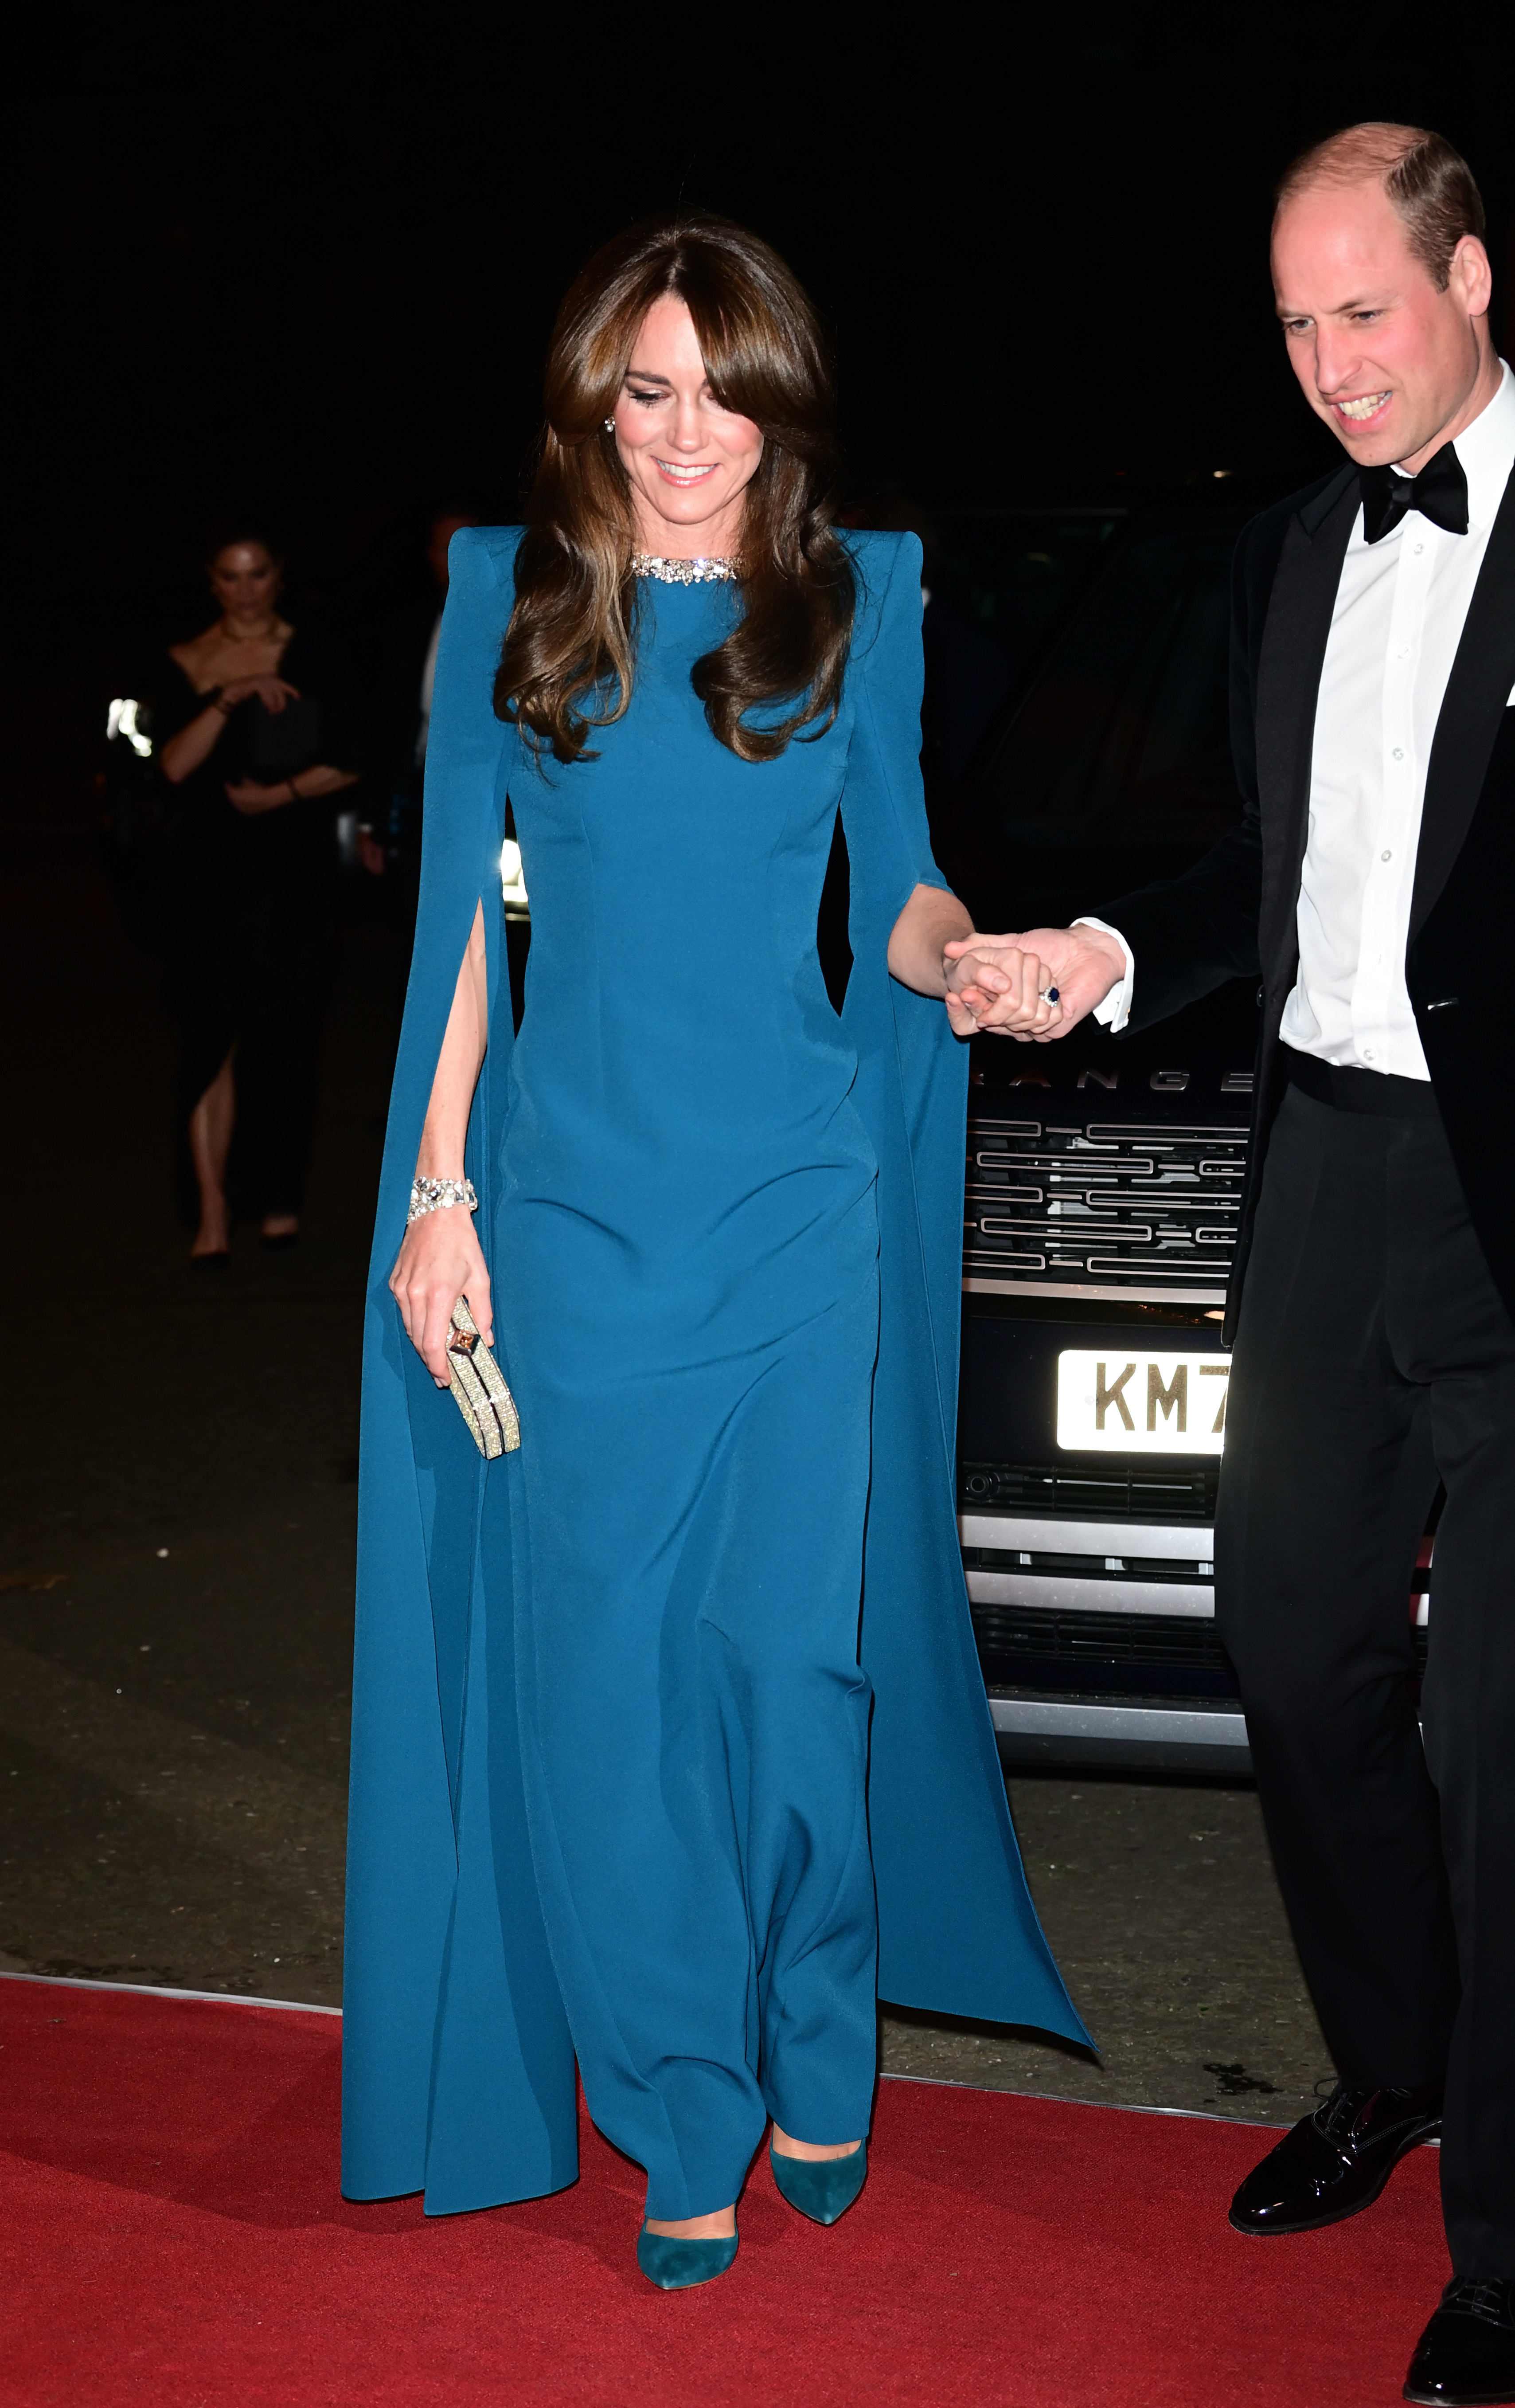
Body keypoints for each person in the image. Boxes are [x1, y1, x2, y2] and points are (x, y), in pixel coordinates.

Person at [340, 213, 1084, 2291]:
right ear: (597, 407)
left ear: (781, 402)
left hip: (790, 1217)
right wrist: (437, 1194)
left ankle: (817, 2016)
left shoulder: (863, 598)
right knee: (602, 1682)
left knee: (788, 1662)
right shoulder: (505, 599)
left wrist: (976, 964)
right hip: (570, 1220)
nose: (689, 434)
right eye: (648, 392)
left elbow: (908, 883)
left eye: (724, 391)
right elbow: (460, 949)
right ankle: (683, 2090)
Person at [966, 125, 1515, 2407]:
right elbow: (1271, 890)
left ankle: (1510, 2237)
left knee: (1499, 1735)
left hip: (1501, 1212)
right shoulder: (1295, 548)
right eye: (1292, 328)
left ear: (1474, 276)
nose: (1326, 367)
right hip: (1319, 1176)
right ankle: (1389, 2065)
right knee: (1291, 1663)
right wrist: (1097, 950)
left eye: (1361, 312)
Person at [157, 534, 362, 1261]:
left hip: (293, 869)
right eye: (230, 576)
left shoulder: (317, 652)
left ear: (279, 576)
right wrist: (231, 695)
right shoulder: (185, 660)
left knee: (284, 1036)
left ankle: (279, 1196)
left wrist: (281, 795)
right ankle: (212, 1210)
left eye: (259, 573)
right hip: (206, 875)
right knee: (211, 1039)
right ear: (212, 582)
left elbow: (359, 756)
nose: (246, 590)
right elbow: (172, 767)